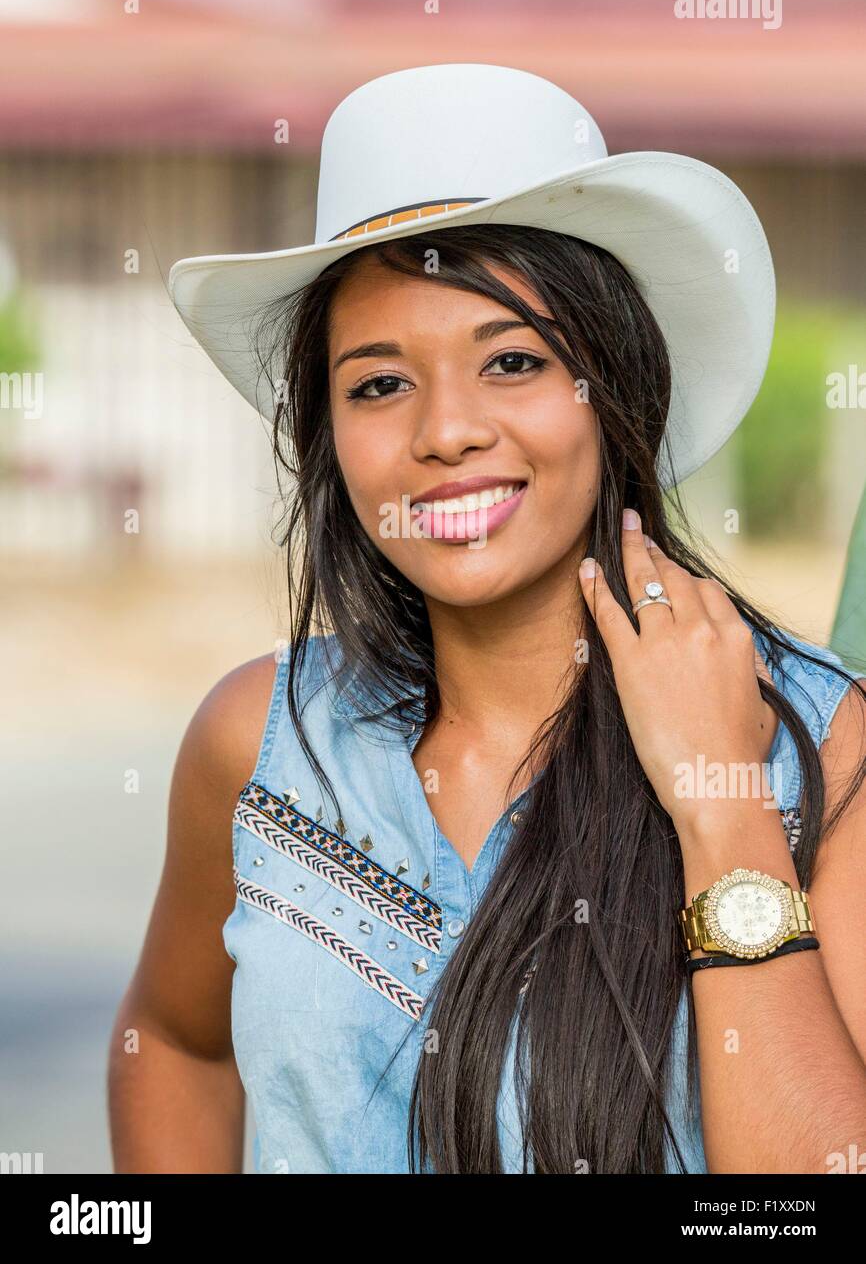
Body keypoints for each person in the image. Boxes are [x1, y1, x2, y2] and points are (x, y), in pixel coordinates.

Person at [109, 65, 866, 1174]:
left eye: (511, 361)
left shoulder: (818, 746)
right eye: (377, 385)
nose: (445, 431)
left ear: (613, 390)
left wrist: (722, 807)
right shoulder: (261, 742)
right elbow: (174, 1043)